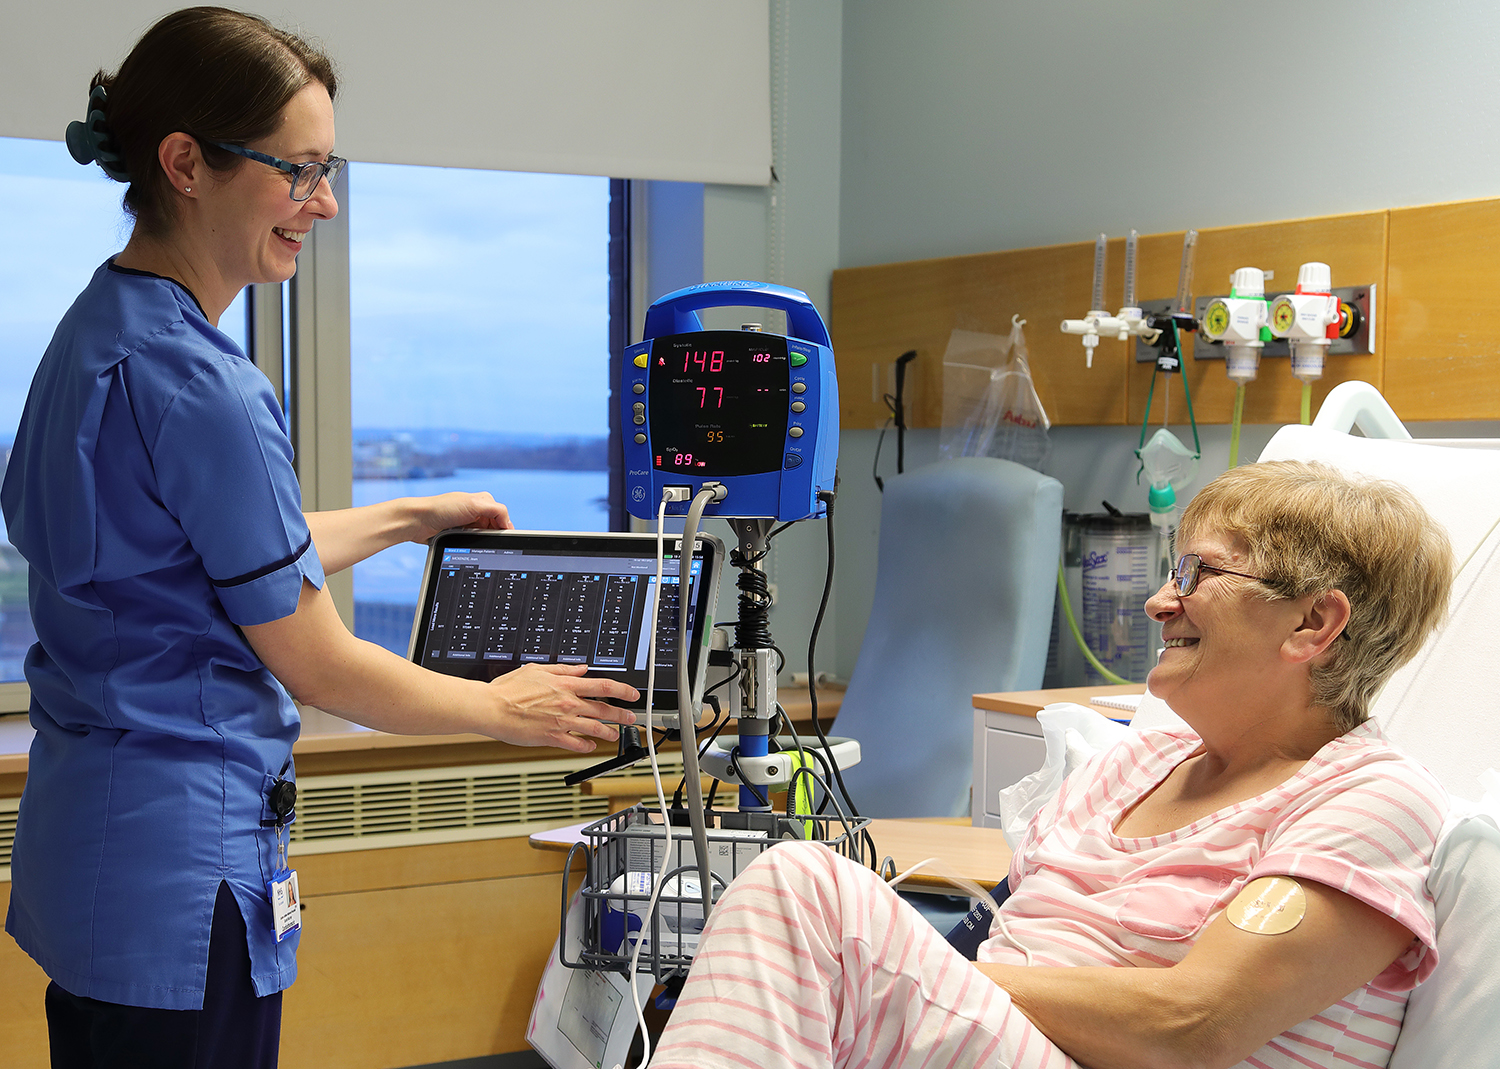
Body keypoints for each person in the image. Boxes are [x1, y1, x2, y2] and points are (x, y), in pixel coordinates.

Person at [0, 8, 638, 1068]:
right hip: (184, 880)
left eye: (327, 168)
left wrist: (408, 514)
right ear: (185, 162)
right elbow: (316, 658)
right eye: (298, 172)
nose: (326, 202)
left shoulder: (90, 339)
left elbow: (194, 558)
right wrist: (501, 708)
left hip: (94, 863)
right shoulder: (204, 384)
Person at [649, 459, 1454, 1069]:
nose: (1158, 601)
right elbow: (993, 941)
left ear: (1314, 622)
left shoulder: (1366, 799)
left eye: (1197, 573)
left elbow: (1195, 1021)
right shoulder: (1134, 764)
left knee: (804, 887)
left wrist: (888, 967)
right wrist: (900, 975)